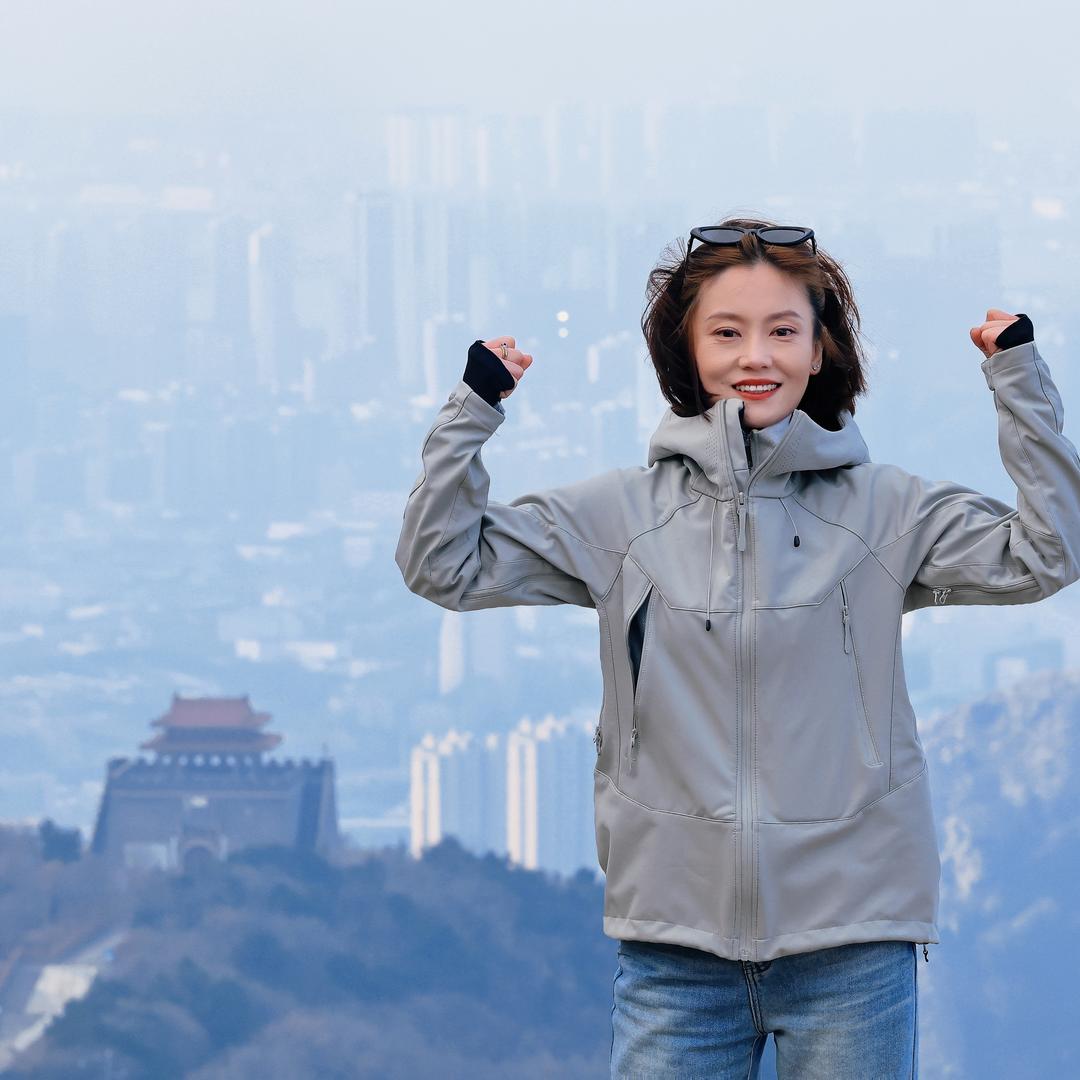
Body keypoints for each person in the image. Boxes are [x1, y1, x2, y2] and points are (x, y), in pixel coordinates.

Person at [394, 217, 1080, 1078]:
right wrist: (474, 407)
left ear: (820, 350)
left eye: (783, 331)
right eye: (727, 332)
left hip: (853, 946)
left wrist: (1017, 376)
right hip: (673, 955)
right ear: (686, 351)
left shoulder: (887, 513)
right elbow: (441, 563)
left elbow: (1049, 550)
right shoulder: (621, 517)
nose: (757, 355)